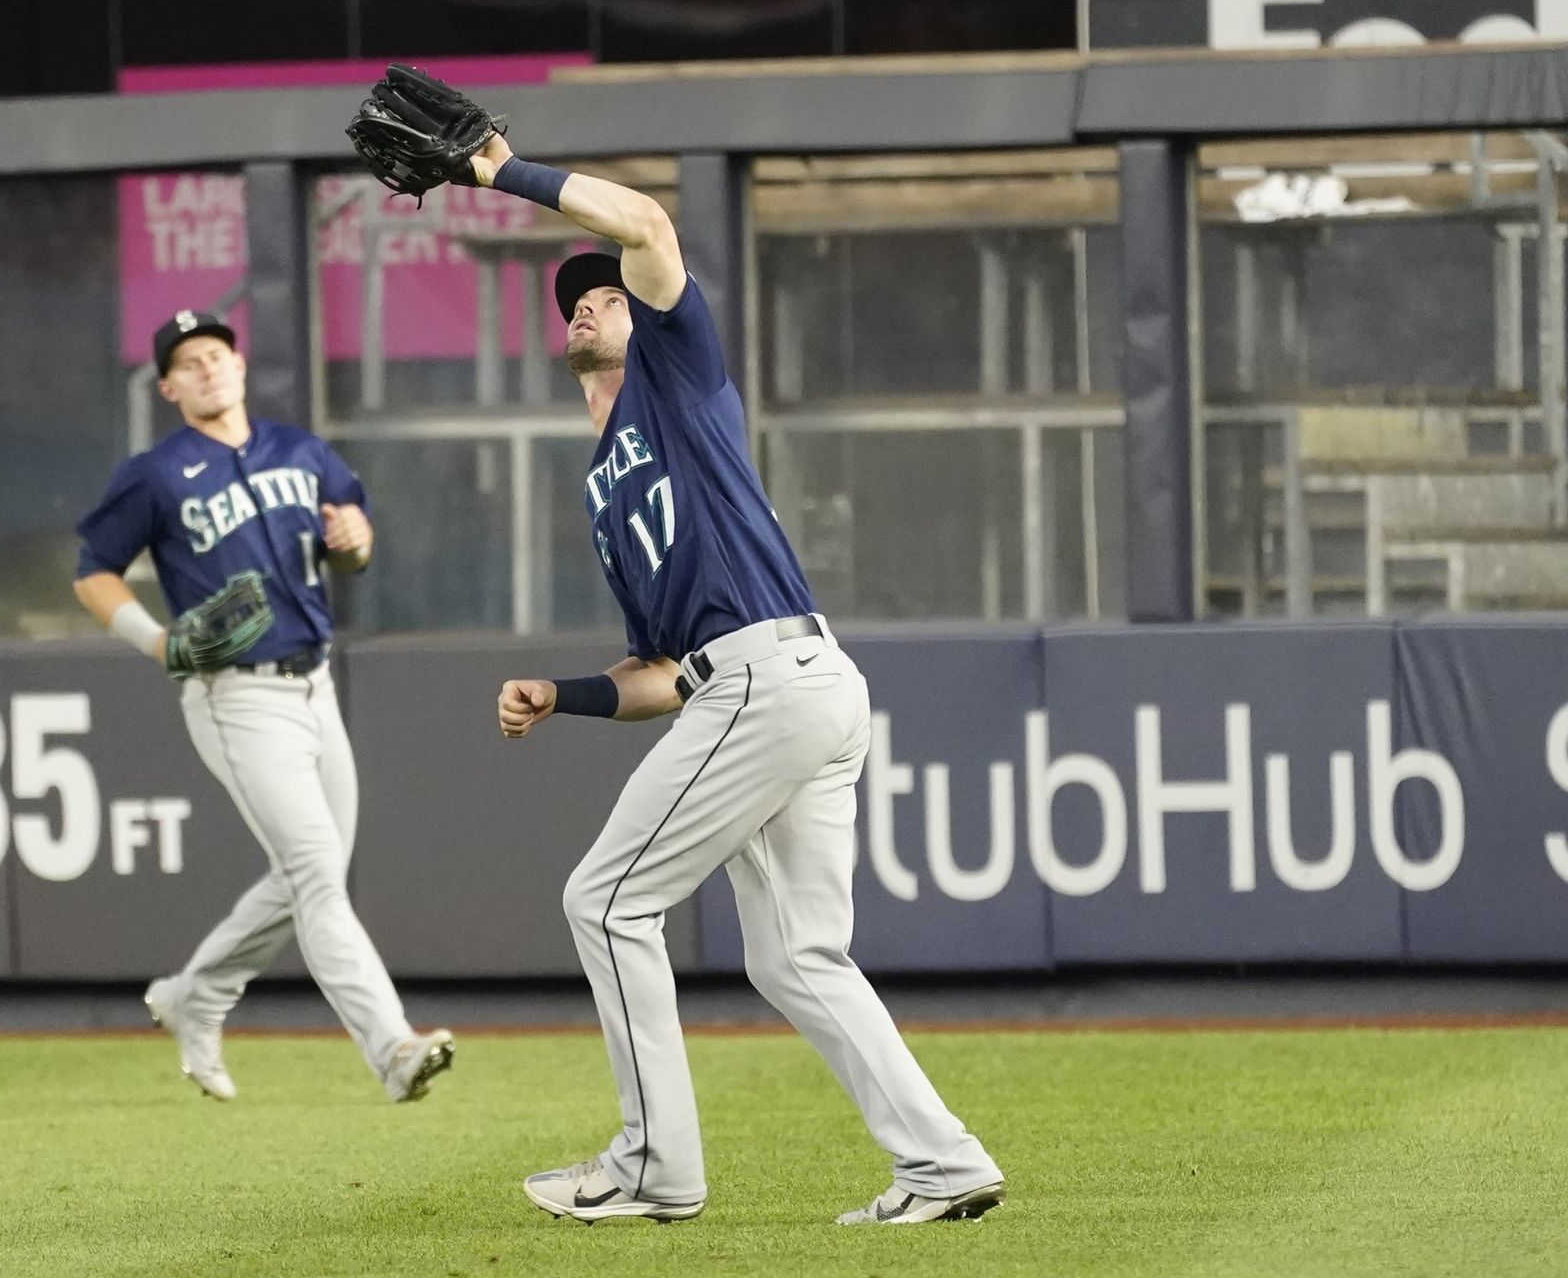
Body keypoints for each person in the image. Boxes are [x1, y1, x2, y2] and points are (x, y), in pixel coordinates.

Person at [467, 137, 1005, 1223]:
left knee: (605, 900)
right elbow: (662, 675)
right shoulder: (606, 485)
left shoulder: (681, 380)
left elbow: (646, 225)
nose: (589, 305)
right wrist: (566, 695)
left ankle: (654, 1166)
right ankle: (942, 1164)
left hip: (772, 678)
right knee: (798, 957)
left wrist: (502, 171)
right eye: (575, 302)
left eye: (607, 296)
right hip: (775, 685)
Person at [72, 310, 454, 1105]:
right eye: (188, 362)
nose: (207, 368)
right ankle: (392, 1048)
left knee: (309, 875)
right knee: (315, 873)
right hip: (235, 694)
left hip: (316, 683)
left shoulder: (301, 452)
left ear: (240, 367)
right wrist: (157, 641)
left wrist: (354, 540)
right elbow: (93, 572)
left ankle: (195, 995)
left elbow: (354, 543)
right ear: (169, 388)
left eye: (217, 353)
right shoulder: (154, 474)